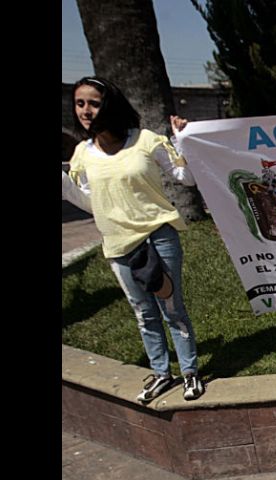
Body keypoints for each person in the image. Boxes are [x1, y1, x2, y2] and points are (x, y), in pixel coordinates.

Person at [66, 76, 206, 402]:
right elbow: (90, 200)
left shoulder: (146, 141)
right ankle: (161, 373)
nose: (86, 110)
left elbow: (186, 178)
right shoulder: (82, 154)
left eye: (94, 103)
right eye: (79, 103)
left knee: (172, 308)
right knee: (143, 312)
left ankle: (189, 372)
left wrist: (183, 139)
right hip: (117, 245)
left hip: (158, 236)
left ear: (110, 104)